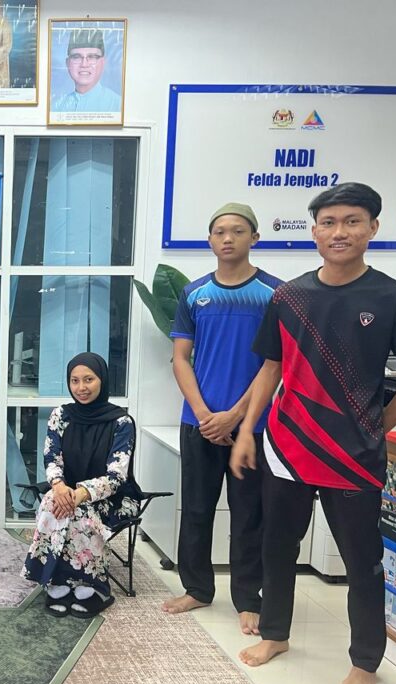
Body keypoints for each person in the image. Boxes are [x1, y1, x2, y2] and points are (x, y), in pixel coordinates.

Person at [229, 182, 396, 684]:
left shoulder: (394, 298)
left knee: (362, 562)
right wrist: (248, 432)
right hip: (287, 449)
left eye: (352, 221)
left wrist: (375, 428)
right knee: (278, 549)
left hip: (354, 458)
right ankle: (276, 634)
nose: (340, 232)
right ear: (314, 231)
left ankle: (365, 662)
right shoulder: (289, 296)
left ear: (372, 228)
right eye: (329, 222)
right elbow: (270, 368)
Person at [162, 204, 282, 635]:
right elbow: (180, 358)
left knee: (250, 514)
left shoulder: (274, 294)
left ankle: (249, 598)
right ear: (210, 240)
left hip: (253, 426)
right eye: (219, 232)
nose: (227, 238)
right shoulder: (194, 293)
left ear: (255, 238)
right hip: (199, 423)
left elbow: (274, 363)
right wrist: (203, 414)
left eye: (238, 231)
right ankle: (197, 588)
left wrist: (235, 416)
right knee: (196, 509)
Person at [24, 353, 138, 618]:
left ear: (102, 380)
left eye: (89, 379)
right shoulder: (61, 415)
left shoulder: (121, 422)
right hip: (67, 490)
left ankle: (92, 586)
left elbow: (116, 475)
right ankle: (62, 581)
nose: (81, 387)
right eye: (74, 380)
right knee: (52, 501)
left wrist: (82, 493)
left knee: (79, 510)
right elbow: (51, 457)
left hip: (112, 497)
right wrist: (58, 486)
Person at [51, 28, 121, 114]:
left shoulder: (118, 105)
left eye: (92, 57)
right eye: (76, 57)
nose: (84, 64)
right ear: (67, 63)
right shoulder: (56, 107)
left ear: (103, 63)